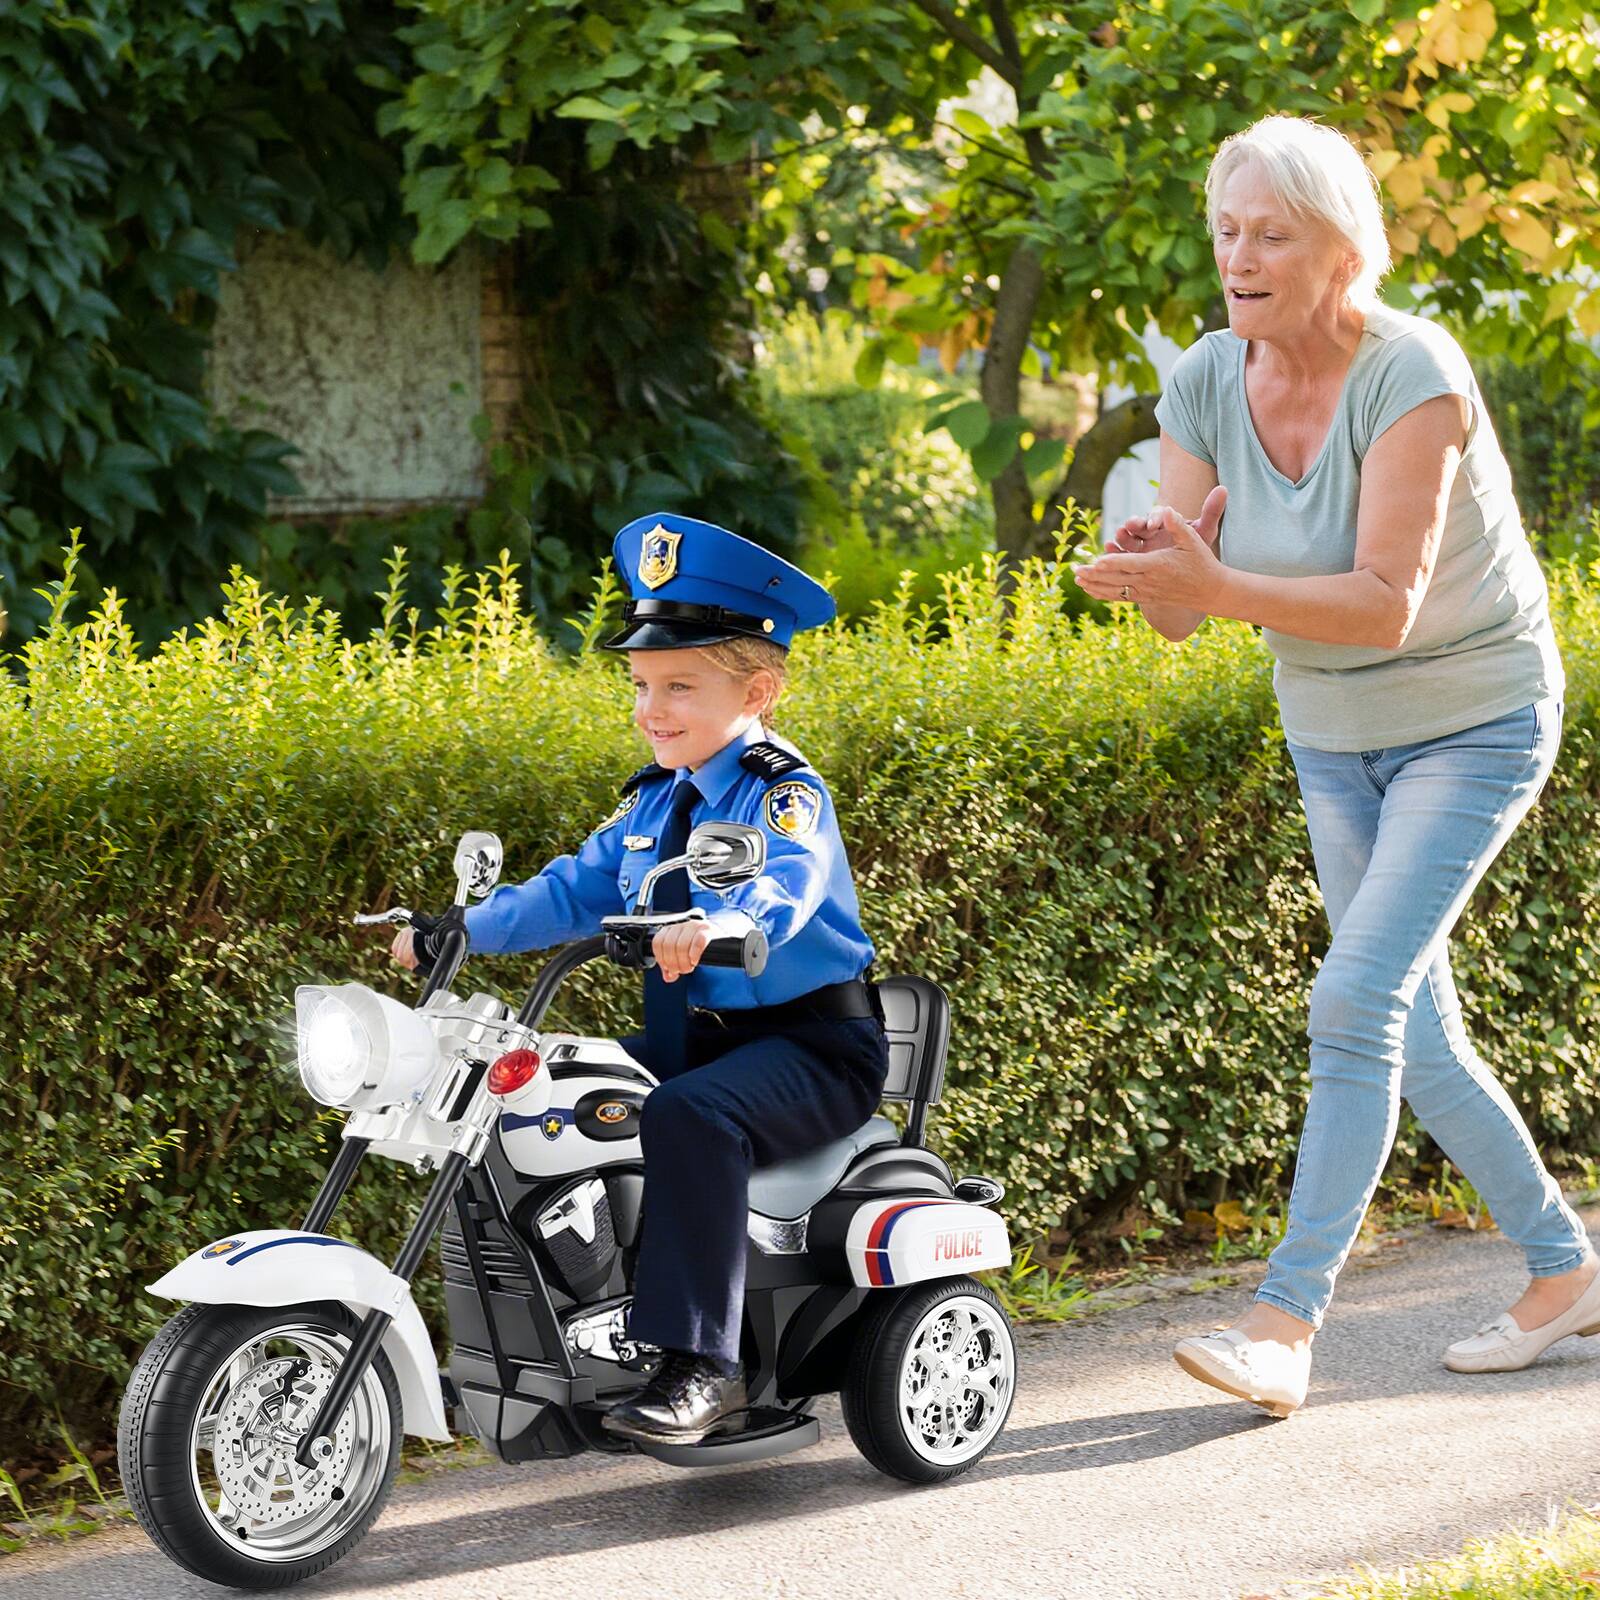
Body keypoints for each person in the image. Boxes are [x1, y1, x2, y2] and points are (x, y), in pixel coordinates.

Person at [1072, 114, 1598, 1417]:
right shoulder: (1203, 379)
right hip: (1335, 733)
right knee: (1414, 1035)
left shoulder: (1413, 370)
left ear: (1341, 247)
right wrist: (1157, 571)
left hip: (1473, 715)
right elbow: (1196, 610)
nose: (1239, 257)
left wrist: (1213, 578)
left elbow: (1385, 605)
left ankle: (1283, 1323)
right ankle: (1564, 1272)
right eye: (1226, 231)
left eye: (1272, 233)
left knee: (1352, 1001)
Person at [391, 510, 889, 1443]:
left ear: (761, 692)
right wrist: (455, 931)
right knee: (539, 1081)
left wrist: (721, 923)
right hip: (693, 1039)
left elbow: (785, 886)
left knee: (689, 1114)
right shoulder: (652, 802)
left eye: (679, 685)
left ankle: (704, 1364)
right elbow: (567, 894)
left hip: (816, 1048)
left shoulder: (785, 792)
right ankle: (560, 1335)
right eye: (641, 683)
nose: (651, 707)